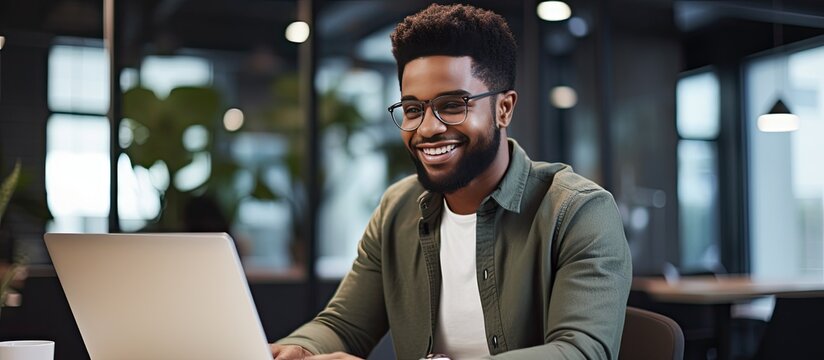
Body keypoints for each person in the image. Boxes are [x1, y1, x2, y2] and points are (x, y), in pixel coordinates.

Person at [271, 3, 631, 360]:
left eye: (453, 105)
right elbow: (343, 325)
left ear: (504, 108)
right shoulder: (397, 209)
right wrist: (297, 350)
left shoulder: (578, 212)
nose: (428, 128)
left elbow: (582, 352)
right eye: (413, 109)